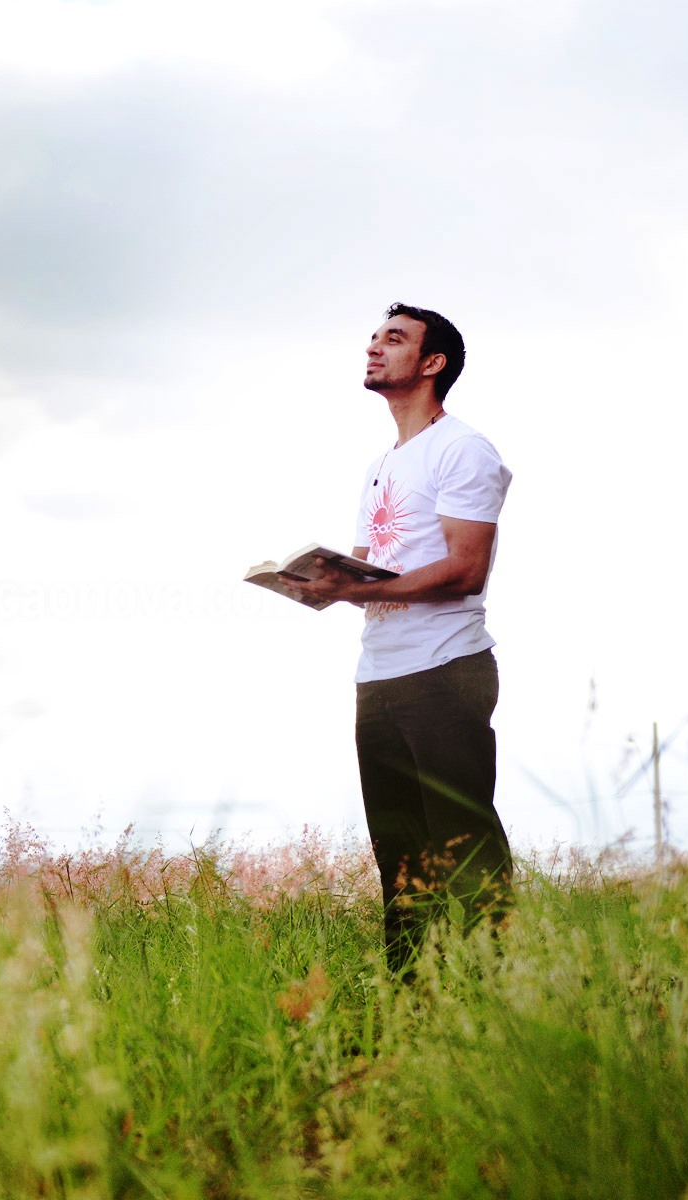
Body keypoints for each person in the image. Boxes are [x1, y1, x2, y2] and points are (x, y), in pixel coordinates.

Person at [290, 302, 513, 973]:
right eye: (373, 337)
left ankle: (499, 998)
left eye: (394, 339)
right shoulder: (383, 463)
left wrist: (357, 590)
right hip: (379, 676)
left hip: (445, 671)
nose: (374, 348)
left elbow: (465, 569)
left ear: (432, 363)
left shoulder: (463, 449)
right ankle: (410, 1005)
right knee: (401, 860)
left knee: (465, 849)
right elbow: (368, 563)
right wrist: (319, 582)